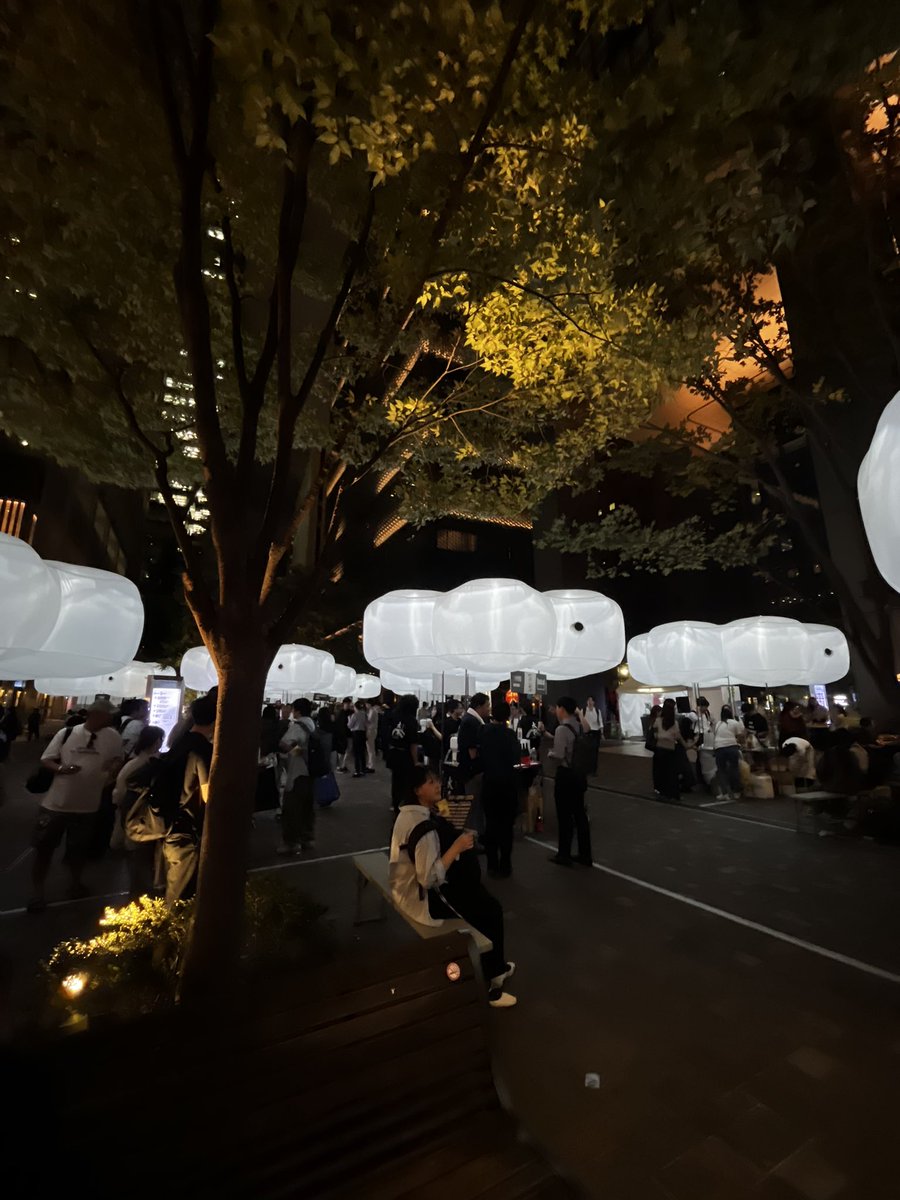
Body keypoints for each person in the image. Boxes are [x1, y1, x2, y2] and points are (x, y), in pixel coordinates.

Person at [389, 766, 516, 1008]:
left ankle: (497, 968)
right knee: (489, 912)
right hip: (423, 901)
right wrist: (457, 847)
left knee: (484, 903)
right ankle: (492, 986)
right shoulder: (422, 826)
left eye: (437, 781)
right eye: (430, 783)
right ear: (417, 790)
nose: (437, 786)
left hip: (408, 890)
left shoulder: (410, 813)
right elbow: (427, 879)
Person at [28, 699, 123, 913]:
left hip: (88, 804)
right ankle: (37, 893)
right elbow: (47, 759)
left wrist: (113, 768)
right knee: (44, 849)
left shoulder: (113, 736)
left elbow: (118, 758)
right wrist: (61, 768)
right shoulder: (68, 733)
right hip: (56, 803)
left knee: (79, 849)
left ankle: (75, 884)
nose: (110, 718)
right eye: (107, 715)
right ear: (94, 714)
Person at [152, 694, 216, 905]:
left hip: (168, 822)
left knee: (174, 886)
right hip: (187, 829)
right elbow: (208, 794)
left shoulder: (180, 741)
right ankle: (176, 934)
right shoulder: (202, 750)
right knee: (182, 893)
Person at [112, 724, 165, 897]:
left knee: (137, 859)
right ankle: (141, 896)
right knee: (141, 860)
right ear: (156, 742)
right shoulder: (147, 765)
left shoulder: (133, 764)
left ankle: (139, 895)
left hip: (132, 819)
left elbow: (119, 795)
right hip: (142, 820)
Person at [547, 695, 593, 866]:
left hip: (566, 776)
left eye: (558, 708)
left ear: (562, 709)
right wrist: (580, 714)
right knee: (580, 815)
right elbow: (589, 730)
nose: (556, 711)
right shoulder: (580, 727)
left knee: (565, 816)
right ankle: (585, 855)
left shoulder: (562, 729)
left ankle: (564, 854)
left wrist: (549, 753)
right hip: (580, 775)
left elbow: (558, 755)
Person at [479, 700, 520, 878]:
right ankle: (506, 864)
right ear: (507, 717)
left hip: (489, 784)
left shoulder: (484, 732)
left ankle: (491, 865)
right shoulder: (510, 735)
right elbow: (516, 757)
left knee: (491, 824)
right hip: (508, 785)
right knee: (506, 826)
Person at [279, 698, 316, 852]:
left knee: (292, 808)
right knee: (307, 807)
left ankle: (291, 843)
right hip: (311, 771)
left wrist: (293, 752)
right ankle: (307, 839)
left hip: (297, 772)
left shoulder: (298, 726)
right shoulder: (313, 724)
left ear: (297, 711)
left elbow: (284, 744)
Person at [387, 694, 420, 814]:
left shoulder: (393, 716)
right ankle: (404, 804)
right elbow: (413, 743)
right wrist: (415, 761)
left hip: (393, 752)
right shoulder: (411, 720)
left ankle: (395, 803)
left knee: (396, 780)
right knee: (406, 781)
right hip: (405, 755)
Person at [457, 691, 490, 808]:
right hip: (472, 772)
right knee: (474, 806)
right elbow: (472, 752)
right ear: (479, 707)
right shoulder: (471, 722)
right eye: (487, 706)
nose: (489, 709)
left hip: (471, 770)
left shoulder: (471, 719)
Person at [651, 698, 688, 802]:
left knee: (662, 772)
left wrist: (662, 736)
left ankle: (663, 793)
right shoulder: (674, 723)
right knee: (672, 773)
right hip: (671, 749)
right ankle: (673, 794)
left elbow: (655, 735)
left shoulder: (658, 721)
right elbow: (678, 737)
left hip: (659, 749)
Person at [713, 705, 746, 799]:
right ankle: (737, 792)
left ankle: (725, 793)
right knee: (734, 769)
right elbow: (740, 736)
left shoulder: (718, 724)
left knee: (722, 770)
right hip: (732, 747)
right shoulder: (735, 723)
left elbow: (716, 735)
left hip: (719, 747)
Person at [349, 700, 369, 778]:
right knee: (362, 752)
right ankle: (363, 769)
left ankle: (357, 771)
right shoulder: (365, 714)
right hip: (363, 734)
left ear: (355, 707)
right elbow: (367, 724)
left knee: (356, 753)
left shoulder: (354, 715)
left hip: (356, 734)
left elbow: (350, 726)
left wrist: (348, 720)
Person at [334, 697, 353, 773]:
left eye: (349, 704)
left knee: (348, 750)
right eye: (347, 704)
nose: (348, 705)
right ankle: (339, 766)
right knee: (341, 751)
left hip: (349, 734)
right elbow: (338, 725)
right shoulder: (340, 713)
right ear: (343, 704)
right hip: (342, 735)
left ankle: (343, 765)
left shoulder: (351, 712)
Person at [365, 699, 380, 772]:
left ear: (369, 704)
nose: (366, 705)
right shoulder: (372, 711)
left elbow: (368, 720)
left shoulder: (372, 711)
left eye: (367, 704)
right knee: (370, 749)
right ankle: (370, 764)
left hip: (371, 730)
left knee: (370, 749)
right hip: (372, 730)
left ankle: (371, 766)